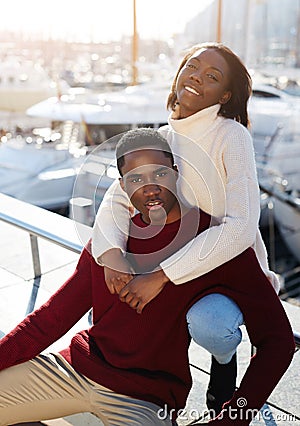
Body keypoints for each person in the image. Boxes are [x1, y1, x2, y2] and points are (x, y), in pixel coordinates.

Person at [0, 129, 294, 426]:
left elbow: (278, 341)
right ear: (122, 186)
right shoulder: (109, 242)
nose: (150, 188)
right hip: (76, 369)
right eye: (136, 179)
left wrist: (234, 417)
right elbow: (50, 319)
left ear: (176, 173)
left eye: (159, 174)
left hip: (145, 398)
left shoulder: (215, 243)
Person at [92, 42, 282, 416]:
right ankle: (155, 392)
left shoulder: (231, 135)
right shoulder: (163, 137)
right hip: (182, 258)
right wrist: (111, 253)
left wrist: (161, 276)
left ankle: (224, 362)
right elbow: (117, 197)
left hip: (230, 262)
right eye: (192, 67)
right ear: (179, 72)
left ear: (225, 95)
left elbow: (242, 228)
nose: (197, 77)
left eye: (212, 77)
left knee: (211, 326)